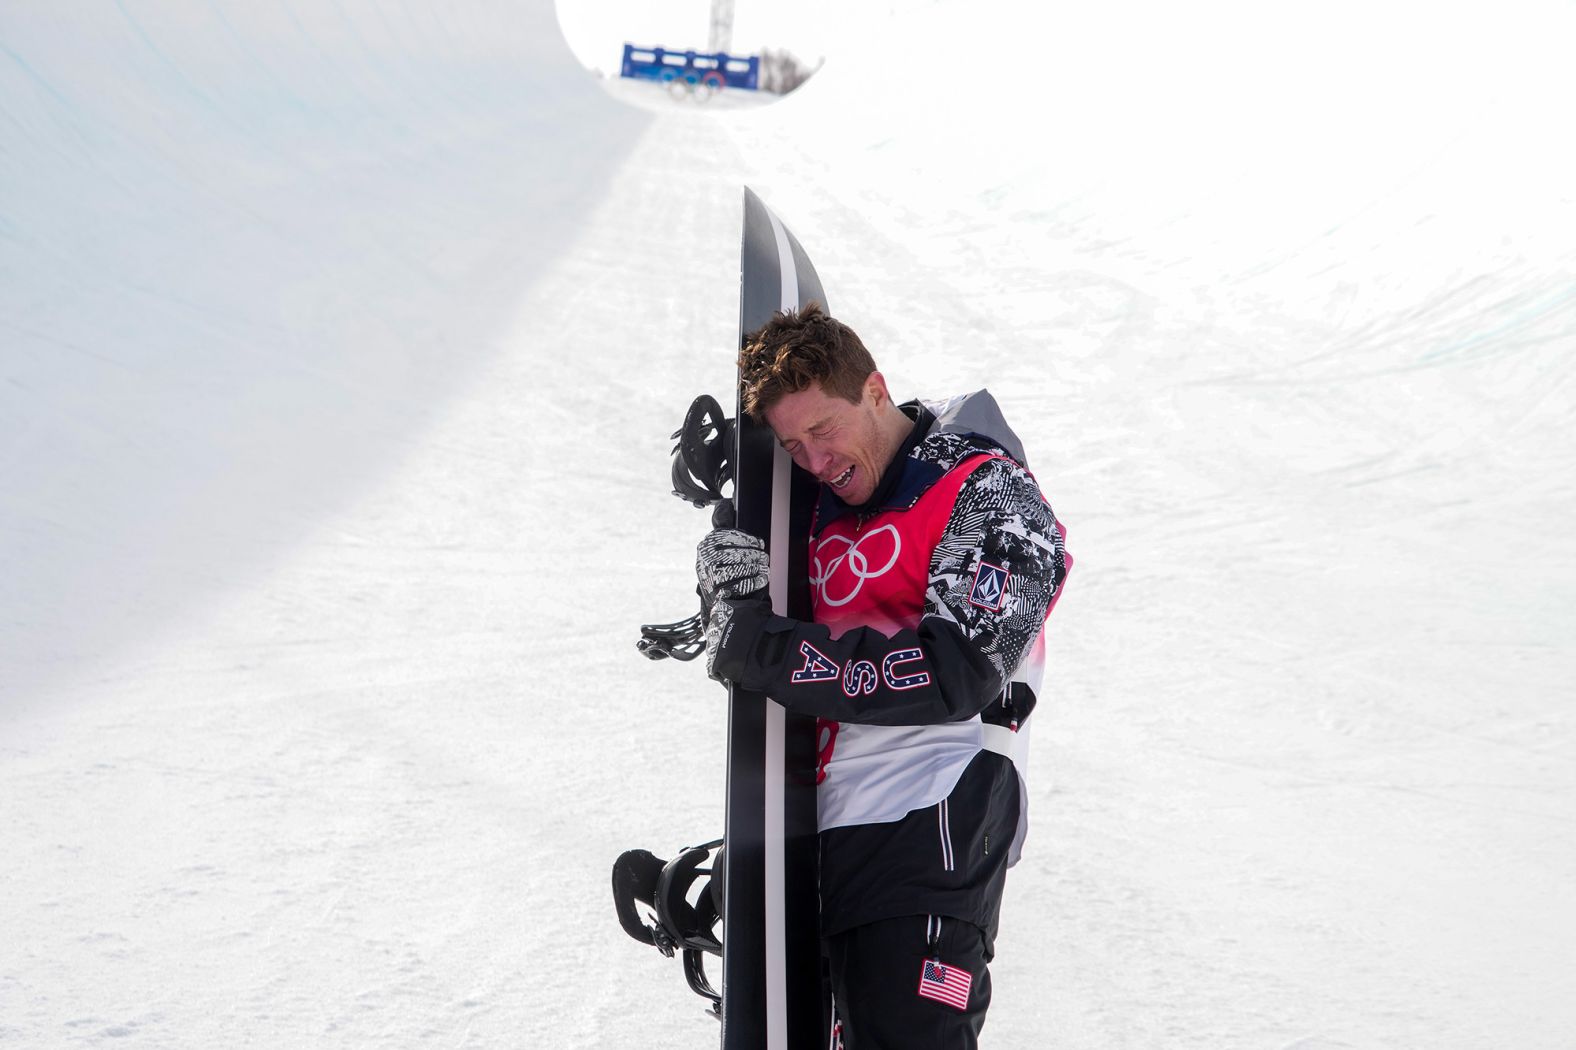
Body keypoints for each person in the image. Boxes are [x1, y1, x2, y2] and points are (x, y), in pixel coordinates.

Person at [695, 303, 1071, 1049]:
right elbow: (767, 629)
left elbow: (951, 673)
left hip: (931, 817)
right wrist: (726, 574)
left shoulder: (986, 491)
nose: (813, 461)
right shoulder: (816, 505)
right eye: (792, 446)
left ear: (874, 388)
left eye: (824, 431)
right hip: (811, 830)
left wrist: (762, 647)